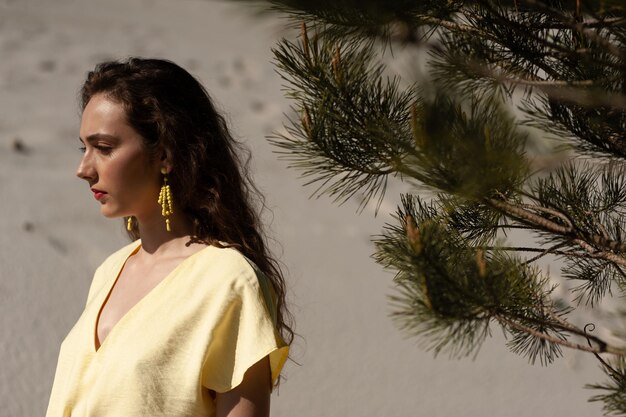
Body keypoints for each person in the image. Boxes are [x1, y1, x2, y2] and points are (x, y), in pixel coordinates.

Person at [45, 57, 293, 417]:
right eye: (83, 147)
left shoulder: (229, 281)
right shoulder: (110, 270)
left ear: (163, 154)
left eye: (104, 147)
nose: (83, 169)